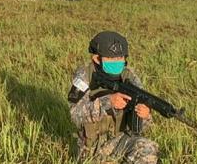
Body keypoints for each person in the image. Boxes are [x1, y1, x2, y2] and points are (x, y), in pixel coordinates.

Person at [67, 31, 159, 163]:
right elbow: (74, 114)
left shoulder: (129, 77)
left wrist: (145, 115)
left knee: (147, 149)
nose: (117, 62)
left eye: (120, 58)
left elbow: (143, 127)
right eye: (111, 59)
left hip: (120, 140)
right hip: (91, 148)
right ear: (96, 59)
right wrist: (108, 102)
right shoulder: (84, 75)